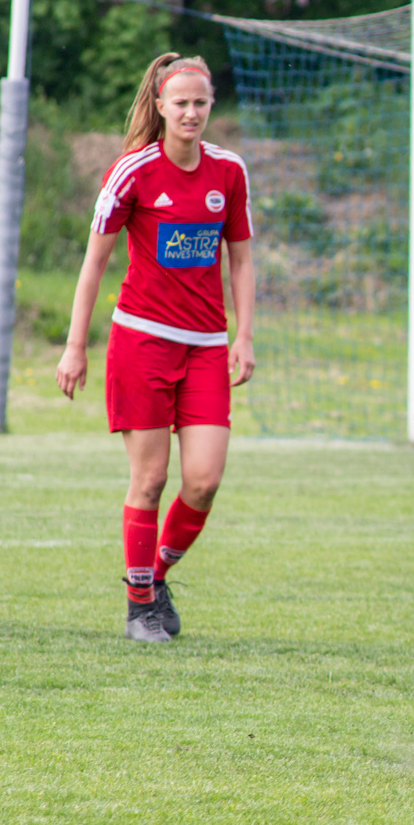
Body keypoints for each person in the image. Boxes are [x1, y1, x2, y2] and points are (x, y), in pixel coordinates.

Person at [54, 53, 255, 642]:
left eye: (200, 102)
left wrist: (244, 334)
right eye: (181, 103)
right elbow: (94, 265)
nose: (191, 112)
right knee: (150, 478)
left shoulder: (229, 171)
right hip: (141, 341)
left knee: (204, 480)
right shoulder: (132, 172)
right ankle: (139, 607)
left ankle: (154, 577)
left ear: (210, 105)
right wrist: (75, 347)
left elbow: (241, 259)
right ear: (161, 107)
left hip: (207, 347)